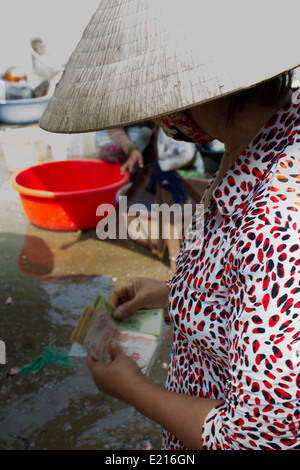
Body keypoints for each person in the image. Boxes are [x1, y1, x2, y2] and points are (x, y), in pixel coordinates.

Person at [40, 0, 300, 450]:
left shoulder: (278, 214)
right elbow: (254, 296)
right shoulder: (263, 138)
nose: (161, 121)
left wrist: (132, 389)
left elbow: (260, 434)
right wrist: (172, 292)